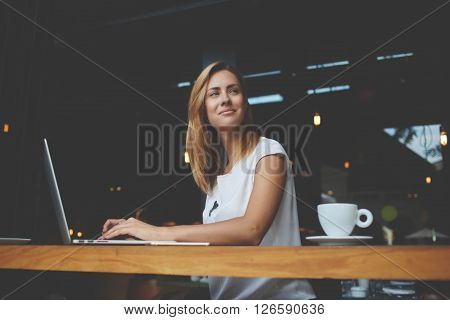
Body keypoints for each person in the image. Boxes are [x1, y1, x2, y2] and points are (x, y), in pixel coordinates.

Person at [100, 61, 315, 299]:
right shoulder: (217, 177)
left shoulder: (269, 152)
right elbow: (215, 238)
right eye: (214, 93)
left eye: (233, 90)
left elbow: (251, 230)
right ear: (203, 109)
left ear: (244, 102)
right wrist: (138, 234)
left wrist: (159, 233)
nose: (225, 98)